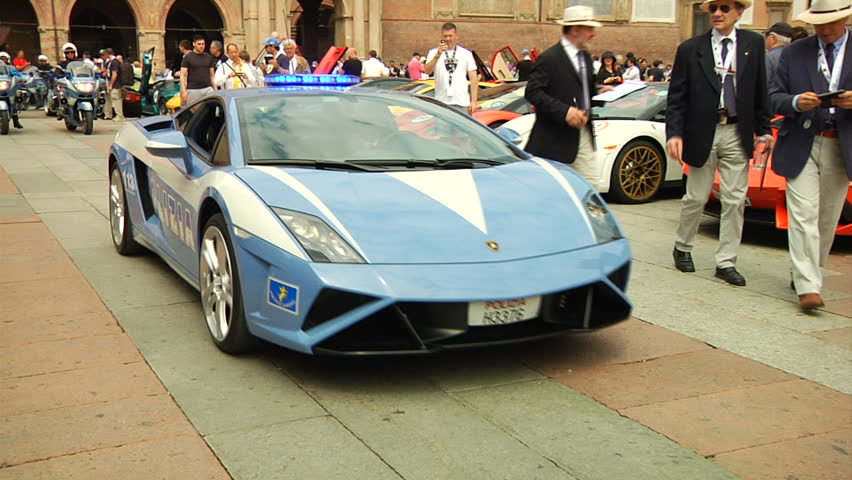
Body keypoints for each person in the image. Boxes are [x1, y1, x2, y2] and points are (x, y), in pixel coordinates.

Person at [666, 0, 773, 287]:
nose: (717, 14)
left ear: (739, 12)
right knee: (696, 197)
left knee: (736, 199)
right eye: (713, 8)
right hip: (703, 131)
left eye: (725, 8)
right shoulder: (690, 49)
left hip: (737, 131)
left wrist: (765, 130)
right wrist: (674, 133)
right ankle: (683, 246)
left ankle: (726, 261)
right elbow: (676, 96)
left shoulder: (753, 43)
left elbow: (760, 89)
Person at [768, 0, 851, 310]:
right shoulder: (793, 52)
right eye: (819, 22)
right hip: (802, 140)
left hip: (841, 145)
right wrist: (794, 102)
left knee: (827, 218)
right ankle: (808, 286)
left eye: (831, 21)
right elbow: (773, 97)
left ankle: (807, 271)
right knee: (802, 215)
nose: (824, 28)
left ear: (846, 17)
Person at [524, 6, 605, 182]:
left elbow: (580, 91)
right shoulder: (550, 58)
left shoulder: (585, 58)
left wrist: (600, 92)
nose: (594, 34)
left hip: (583, 134)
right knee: (554, 192)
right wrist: (565, 111)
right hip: (555, 141)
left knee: (590, 189)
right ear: (575, 30)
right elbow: (533, 92)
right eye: (589, 28)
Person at [425, 23, 479, 114]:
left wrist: (474, 101)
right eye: (445, 36)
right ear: (441, 37)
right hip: (442, 103)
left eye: (450, 36)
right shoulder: (433, 52)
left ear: (456, 36)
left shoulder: (466, 54)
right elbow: (427, 71)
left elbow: (473, 78)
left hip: (461, 102)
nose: (448, 39)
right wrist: (437, 55)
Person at [179, 35, 216, 107]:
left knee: (212, 110)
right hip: (193, 89)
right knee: (195, 112)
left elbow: (212, 75)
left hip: (208, 88)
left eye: (203, 44)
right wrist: (184, 91)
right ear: (194, 44)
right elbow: (182, 75)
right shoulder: (188, 57)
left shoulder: (209, 57)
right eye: (199, 44)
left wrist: (215, 89)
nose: (201, 46)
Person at [764, 22, 794, 86]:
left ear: (773, 38)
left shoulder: (768, 57)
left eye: (767, 36)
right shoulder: (796, 56)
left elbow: (763, 84)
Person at [108, 53, 133, 121]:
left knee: (116, 100)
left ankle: (119, 116)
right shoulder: (125, 64)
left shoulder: (114, 63)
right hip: (122, 84)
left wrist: (111, 85)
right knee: (120, 99)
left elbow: (114, 74)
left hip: (116, 85)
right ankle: (120, 115)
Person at [100, 48, 117, 119]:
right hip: (109, 83)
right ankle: (108, 114)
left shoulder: (112, 62)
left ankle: (111, 114)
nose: (102, 57)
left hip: (111, 83)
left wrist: (111, 85)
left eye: (103, 55)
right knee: (108, 99)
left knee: (112, 99)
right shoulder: (107, 62)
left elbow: (111, 73)